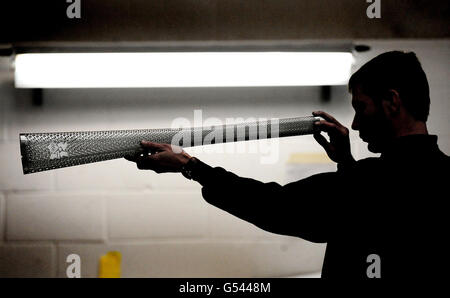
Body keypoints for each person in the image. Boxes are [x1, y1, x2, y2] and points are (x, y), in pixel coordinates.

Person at [125, 51, 449, 278]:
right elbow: (361, 211)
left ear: (392, 102)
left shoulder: (370, 182)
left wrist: (189, 165)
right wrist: (347, 165)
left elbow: (275, 205)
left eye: (361, 108)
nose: (356, 124)